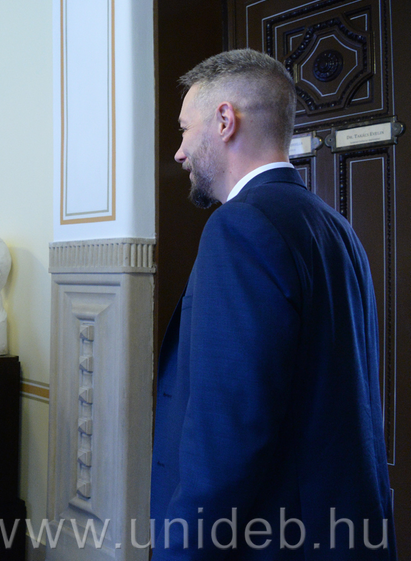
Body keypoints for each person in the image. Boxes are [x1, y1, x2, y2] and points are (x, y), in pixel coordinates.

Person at [150, 49, 396, 559]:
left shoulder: (239, 226)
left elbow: (228, 433)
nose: (178, 152)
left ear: (224, 121)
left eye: (184, 130)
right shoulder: (335, 226)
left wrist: (180, 551)